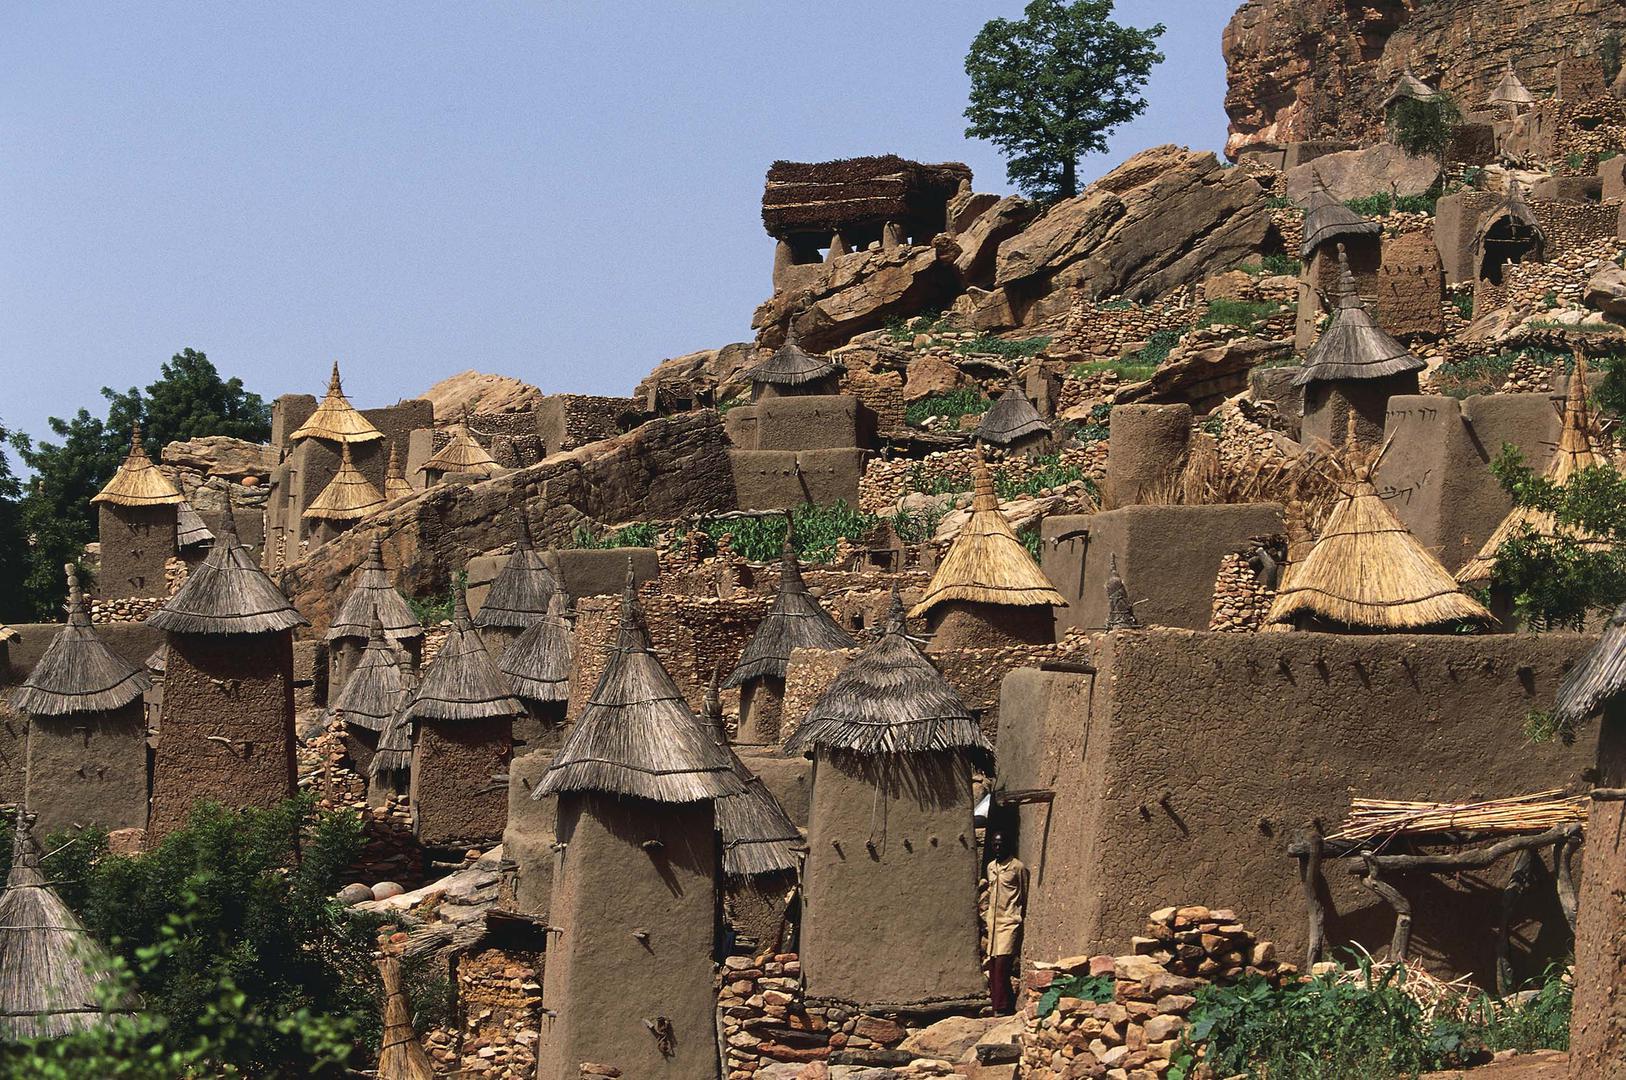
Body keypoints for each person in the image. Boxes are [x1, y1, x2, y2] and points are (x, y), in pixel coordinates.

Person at [985, 830, 1028, 1014]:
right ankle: (1001, 1004)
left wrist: (1020, 916)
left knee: (1003, 964)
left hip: (1009, 922)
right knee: (994, 967)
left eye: (1000, 844)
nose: (997, 848)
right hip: (993, 923)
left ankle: (1002, 1008)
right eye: (994, 844)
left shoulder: (1017, 867)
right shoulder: (991, 867)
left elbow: (1025, 894)